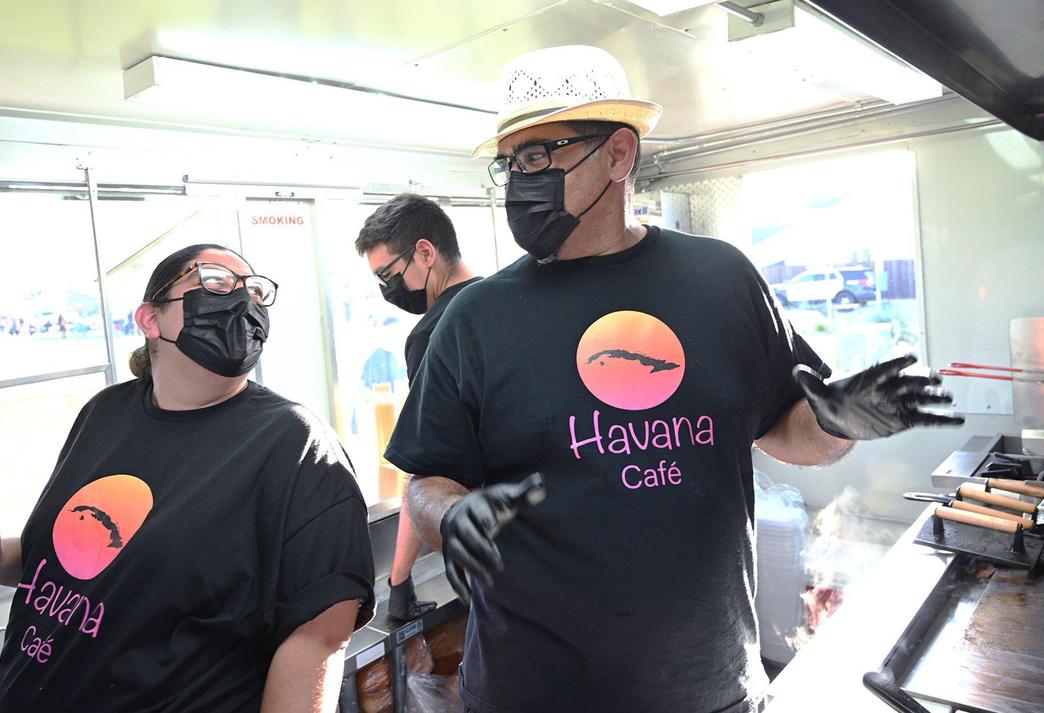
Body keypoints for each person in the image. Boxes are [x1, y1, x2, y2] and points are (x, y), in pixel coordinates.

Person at [384, 45, 963, 713]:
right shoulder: (476, 319)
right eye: (511, 162)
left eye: (540, 154)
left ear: (618, 154)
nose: (522, 179)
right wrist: (451, 516)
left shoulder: (722, 280)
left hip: (710, 687)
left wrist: (840, 421)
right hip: (529, 692)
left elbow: (789, 428)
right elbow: (426, 481)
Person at [0, 244, 375, 713]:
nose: (242, 300)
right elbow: (84, 563)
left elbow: (319, 638)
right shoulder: (105, 413)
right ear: (150, 320)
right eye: (214, 281)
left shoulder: (294, 445)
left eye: (254, 291)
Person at [355, 193, 481, 621]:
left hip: (486, 549)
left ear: (425, 252)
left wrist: (399, 580)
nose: (388, 291)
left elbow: (424, 466)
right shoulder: (505, 301)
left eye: (388, 275)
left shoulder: (434, 333)